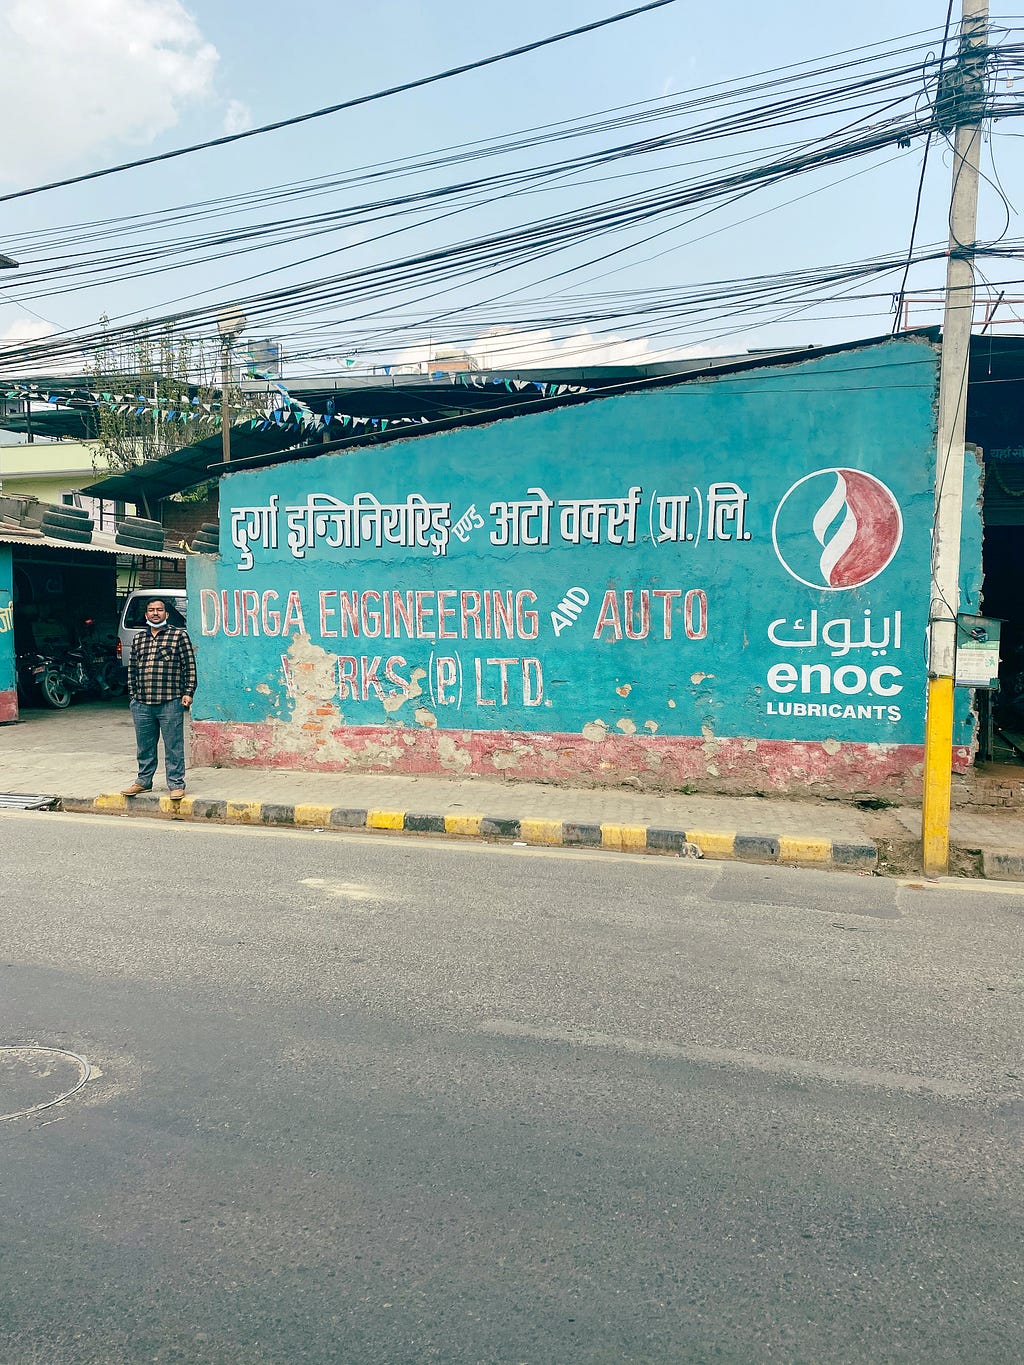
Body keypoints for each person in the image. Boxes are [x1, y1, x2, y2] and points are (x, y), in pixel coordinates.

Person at [123, 597, 197, 800]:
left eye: (159, 610)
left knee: (173, 745)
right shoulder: (139, 638)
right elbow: (133, 670)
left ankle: (176, 784)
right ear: (146, 614)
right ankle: (143, 781)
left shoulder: (178, 636)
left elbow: (189, 667)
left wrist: (188, 692)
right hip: (142, 702)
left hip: (170, 701)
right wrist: (133, 696)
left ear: (166, 613)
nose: (155, 613)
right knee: (144, 745)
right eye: (151, 610)